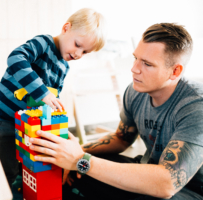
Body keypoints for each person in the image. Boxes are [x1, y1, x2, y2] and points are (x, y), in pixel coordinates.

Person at [29, 23, 203, 199]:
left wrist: (81, 160)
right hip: (149, 169)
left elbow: (167, 184)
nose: (134, 68)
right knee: (73, 174)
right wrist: (71, 153)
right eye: (136, 58)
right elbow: (121, 138)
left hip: (189, 190)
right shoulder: (136, 91)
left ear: (175, 71)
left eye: (147, 64)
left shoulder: (196, 105)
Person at [0, 8, 106, 188]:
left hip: (27, 122)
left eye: (85, 52)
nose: (78, 54)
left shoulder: (64, 66)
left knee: (28, 163)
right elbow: (16, 58)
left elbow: (52, 96)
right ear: (66, 28)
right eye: (78, 45)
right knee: (5, 169)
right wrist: (42, 92)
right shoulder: (43, 43)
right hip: (4, 119)